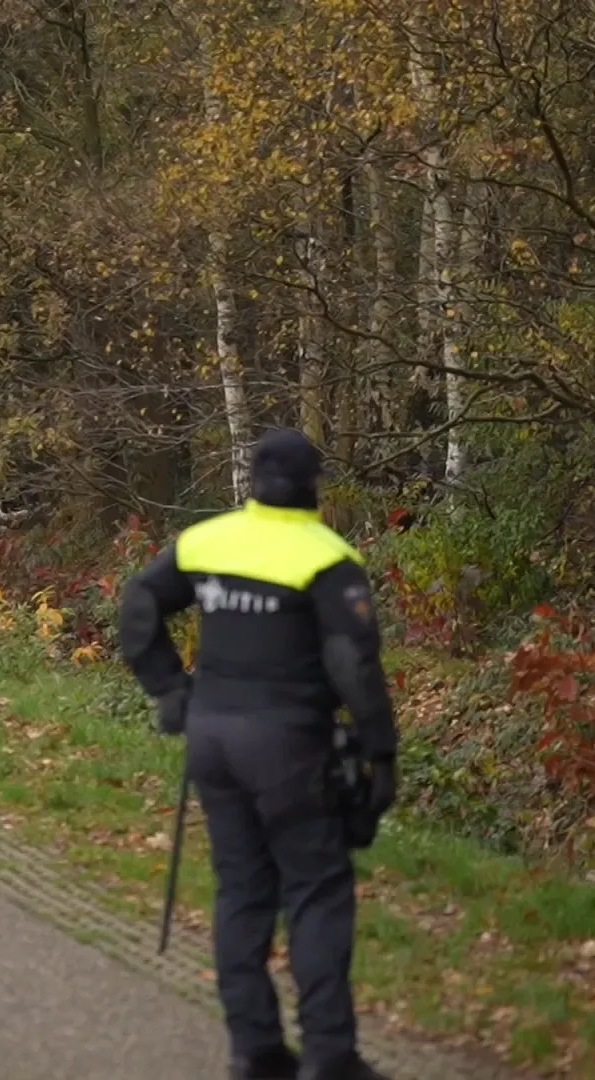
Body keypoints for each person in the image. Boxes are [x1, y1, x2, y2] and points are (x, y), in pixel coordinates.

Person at [117, 428, 399, 1080]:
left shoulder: (206, 541)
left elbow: (139, 602)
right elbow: (354, 663)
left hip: (212, 738)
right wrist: (380, 751)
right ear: (312, 487)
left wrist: (169, 688)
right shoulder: (326, 557)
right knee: (316, 891)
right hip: (290, 743)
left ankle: (256, 1049)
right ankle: (329, 1055)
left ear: (252, 481)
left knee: (241, 890)